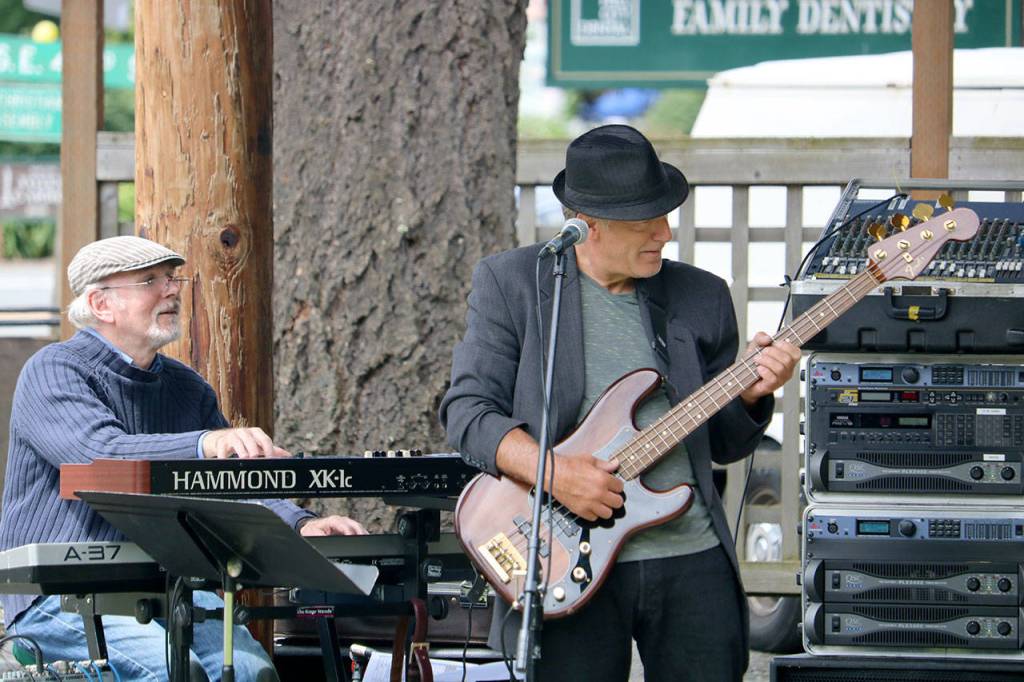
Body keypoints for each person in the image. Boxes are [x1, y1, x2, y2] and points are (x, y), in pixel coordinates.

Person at [440, 124, 800, 681]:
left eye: (665, 213)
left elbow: (726, 444)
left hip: (689, 556)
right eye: (644, 221)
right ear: (586, 227)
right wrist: (555, 474)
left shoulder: (700, 296)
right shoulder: (513, 285)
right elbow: (467, 413)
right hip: (561, 560)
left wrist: (753, 396)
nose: (665, 232)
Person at [0, 236, 366, 682]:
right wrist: (205, 445)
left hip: (170, 586)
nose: (172, 289)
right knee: (175, 672)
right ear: (101, 303)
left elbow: (233, 485)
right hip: (57, 595)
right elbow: (100, 457)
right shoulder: (55, 370)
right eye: (149, 280)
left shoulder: (187, 387)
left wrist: (300, 523)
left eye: (172, 278)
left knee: (255, 673)